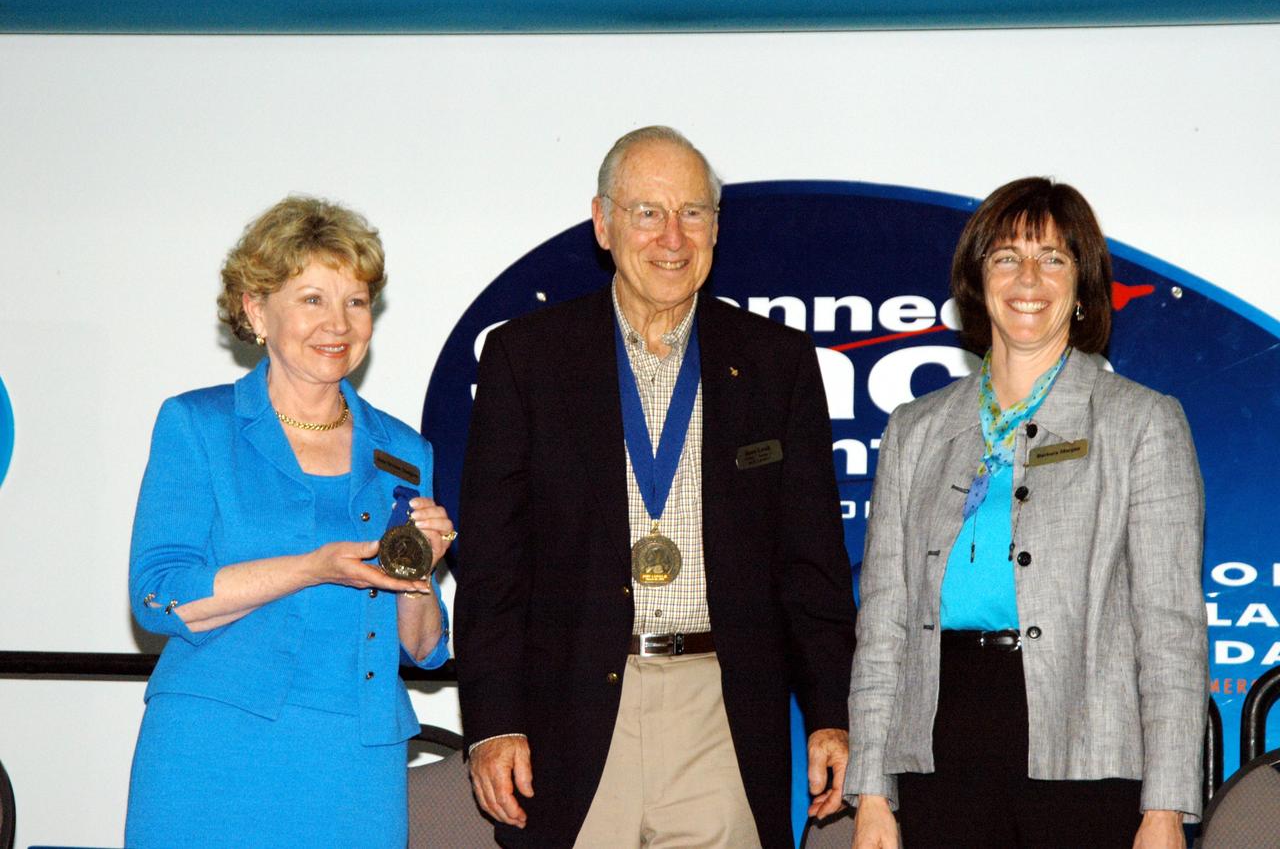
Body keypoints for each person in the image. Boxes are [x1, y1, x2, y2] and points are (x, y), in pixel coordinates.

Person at [455, 125, 857, 848]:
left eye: (693, 212)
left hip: (721, 713)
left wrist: (833, 712)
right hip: (573, 712)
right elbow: (492, 568)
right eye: (648, 212)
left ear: (716, 227)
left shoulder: (777, 362)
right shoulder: (526, 358)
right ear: (603, 223)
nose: (673, 237)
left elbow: (813, 565)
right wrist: (492, 721)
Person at [844, 177, 1208, 849]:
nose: (1028, 278)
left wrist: (1167, 807)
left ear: (1083, 285)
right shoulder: (915, 430)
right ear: (977, 280)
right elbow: (884, 626)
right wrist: (870, 790)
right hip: (938, 751)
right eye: (1007, 257)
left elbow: (1171, 634)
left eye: (1053, 258)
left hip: (1088, 755)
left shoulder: (1141, 422)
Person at [125, 196, 456, 848]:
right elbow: (160, 595)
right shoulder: (198, 425)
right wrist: (311, 567)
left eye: (356, 301)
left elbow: (422, 648)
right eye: (312, 299)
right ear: (256, 311)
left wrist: (422, 570)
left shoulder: (404, 450)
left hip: (356, 761)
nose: (338, 323)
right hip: (214, 751)